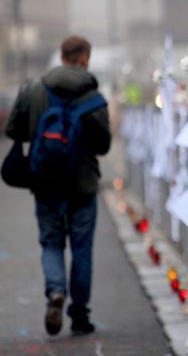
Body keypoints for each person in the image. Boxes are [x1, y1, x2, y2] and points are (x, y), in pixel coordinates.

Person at [5, 36, 111, 335]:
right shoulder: (92, 96)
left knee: (51, 243)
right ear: (84, 59)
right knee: (81, 248)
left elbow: (13, 129)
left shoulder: (33, 89)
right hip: (83, 184)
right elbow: (103, 145)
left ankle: (55, 292)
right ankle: (80, 315)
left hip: (45, 181)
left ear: (61, 56)